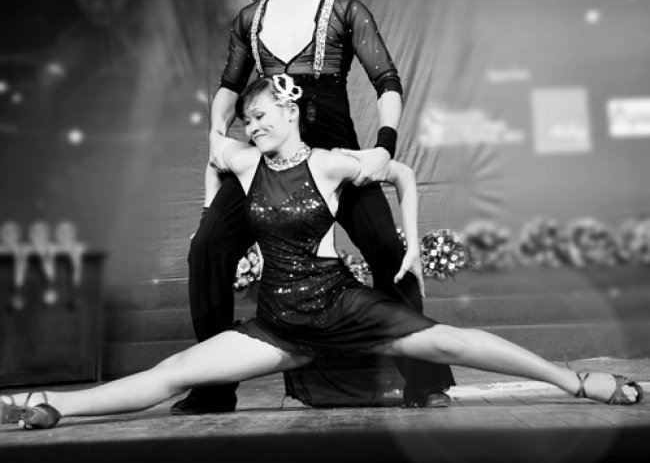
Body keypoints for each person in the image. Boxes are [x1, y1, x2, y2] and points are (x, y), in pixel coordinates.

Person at [0, 75, 642, 430]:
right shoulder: (244, 162)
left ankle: (575, 382)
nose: (253, 126)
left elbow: (400, 172)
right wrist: (205, 212)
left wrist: (411, 243)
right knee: (175, 372)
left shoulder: (330, 164)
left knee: (451, 342)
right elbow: (213, 147)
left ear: (290, 109)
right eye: (248, 120)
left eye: (261, 115)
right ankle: (51, 407)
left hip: (341, 306)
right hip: (280, 323)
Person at [177, 0, 455, 414]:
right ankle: (213, 386)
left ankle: (425, 379)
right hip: (272, 165)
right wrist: (216, 132)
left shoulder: (348, 11)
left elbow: (388, 83)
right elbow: (229, 88)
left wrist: (383, 147)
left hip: (334, 157)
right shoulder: (250, 19)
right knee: (207, 248)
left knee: (386, 249)